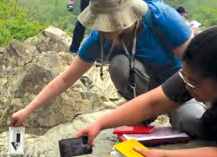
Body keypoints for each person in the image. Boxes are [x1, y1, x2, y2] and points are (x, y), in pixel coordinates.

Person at [11, 0, 204, 138]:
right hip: (143, 92)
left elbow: (198, 66)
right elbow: (65, 79)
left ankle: (168, 113)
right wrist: (27, 111)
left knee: (195, 124)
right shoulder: (99, 39)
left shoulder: (161, 18)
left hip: (181, 88)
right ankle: (142, 115)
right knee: (119, 64)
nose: (101, 29)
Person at [75, 26, 217, 157]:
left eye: (193, 83)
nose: (187, 86)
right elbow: (152, 103)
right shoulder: (192, 78)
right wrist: (100, 124)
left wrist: (165, 156)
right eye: (184, 77)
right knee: (193, 124)